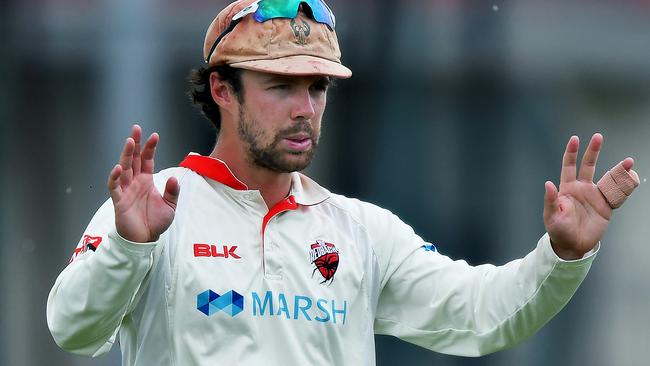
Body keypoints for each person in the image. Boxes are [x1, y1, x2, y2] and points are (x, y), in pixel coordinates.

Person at [46, 0, 640, 365]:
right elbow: (71, 329)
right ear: (223, 90)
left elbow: (482, 316)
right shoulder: (157, 209)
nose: (305, 107)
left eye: (317, 87)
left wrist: (562, 255)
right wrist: (129, 249)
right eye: (281, 86)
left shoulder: (359, 230)